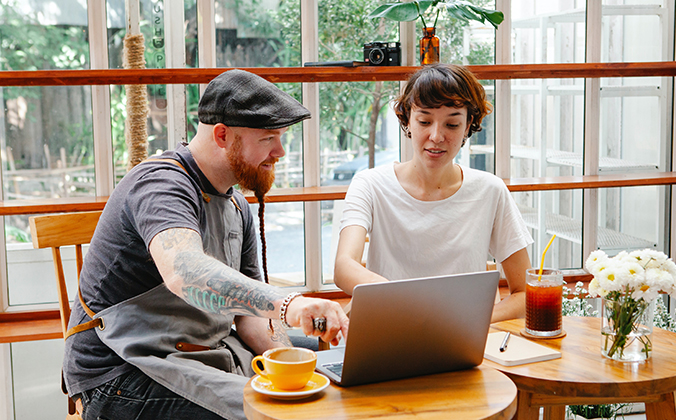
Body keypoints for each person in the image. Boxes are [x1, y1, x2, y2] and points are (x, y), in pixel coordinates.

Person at [63, 69, 349, 420]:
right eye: (269, 138)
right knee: (273, 414)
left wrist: (288, 364)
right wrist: (288, 305)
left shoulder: (236, 204)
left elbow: (249, 318)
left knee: (332, 376)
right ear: (222, 135)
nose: (280, 151)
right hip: (121, 371)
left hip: (199, 351)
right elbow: (186, 273)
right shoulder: (161, 185)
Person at [334, 63, 533, 322]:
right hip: (391, 329)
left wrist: (470, 321)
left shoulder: (489, 190)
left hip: (463, 341)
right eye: (424, 121)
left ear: (468, 125)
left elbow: (525, 293)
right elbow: (343, 267)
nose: (436, 136)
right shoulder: (370, 184)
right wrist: (410, 303)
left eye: (451, 124)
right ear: (406, 120)